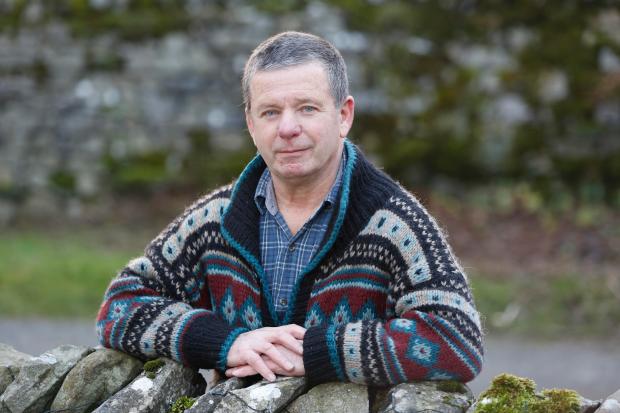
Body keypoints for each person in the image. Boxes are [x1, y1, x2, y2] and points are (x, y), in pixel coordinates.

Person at [96, 31, 483, 386]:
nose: (287, 128)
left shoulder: (395, 224)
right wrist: (227, 342)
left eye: (307, 108)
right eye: (270, 112)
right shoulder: (214, 221)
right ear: (251, 124)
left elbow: (457, 339)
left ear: (344, 115)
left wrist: (320, 352)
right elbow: (120, 307)